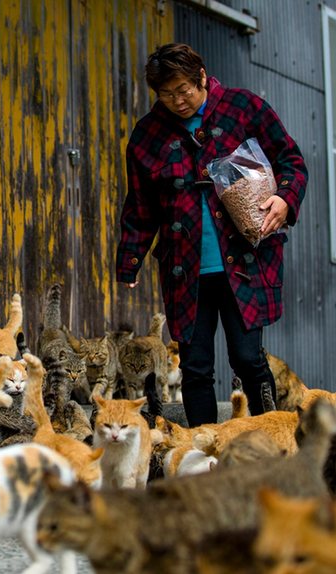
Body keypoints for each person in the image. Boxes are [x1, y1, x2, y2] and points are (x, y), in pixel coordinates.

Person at [116, 43, 307, 427]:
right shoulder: (147, 135)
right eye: (167, 94)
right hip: (185, 270)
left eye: (184, 89)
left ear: (201, 76)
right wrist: (131, 260)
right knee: (196, 366)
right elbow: (140, 205)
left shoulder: (243, 108)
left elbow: (291, 160)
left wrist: (285, 199)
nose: (178, 100)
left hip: (245, 260)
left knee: (248, 359)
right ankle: (203, 451)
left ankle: (270, 438)